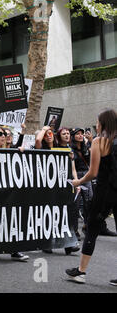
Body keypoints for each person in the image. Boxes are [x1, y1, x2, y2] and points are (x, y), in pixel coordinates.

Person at [65, 109, 117, 286]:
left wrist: (78, 181)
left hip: (104, 193)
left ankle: (81, 271)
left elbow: (93, 172)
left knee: (92, 230)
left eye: (97, 121)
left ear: (102, 123)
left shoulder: (99, 141)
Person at [0, 126, 29, 262]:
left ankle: (14, 250)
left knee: (10, 219)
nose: (4, 136)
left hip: (6, 192)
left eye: (5, 134)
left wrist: (19, 151)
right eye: (0, 134)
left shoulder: (9, 152)